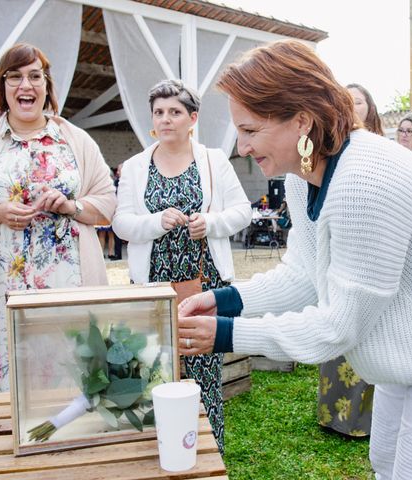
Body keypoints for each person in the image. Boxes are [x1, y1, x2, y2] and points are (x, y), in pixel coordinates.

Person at [178, 40, 412, 478]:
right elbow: (304, 276)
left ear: (301, 121)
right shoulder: (303, 176)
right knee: (385, 465)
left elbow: (338, 327)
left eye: (250, 130)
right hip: (405, 350)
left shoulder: (364, 182)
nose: (242, 147)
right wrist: (226, 301)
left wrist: (225, 334)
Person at [0, 43, 116, 394]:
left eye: (35, 76)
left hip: (68, 285)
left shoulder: (76, 141)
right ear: (1, 88)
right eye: (14, 77)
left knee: (69, 374)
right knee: (4, 380)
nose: (25, 85)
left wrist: (69, 206)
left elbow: (106, 204)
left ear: (47, 86)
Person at [112, 79, 252, 453]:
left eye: (175, 112)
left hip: (203, 283)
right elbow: (121, 223)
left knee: (205, 371)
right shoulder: (136, 167)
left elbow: (242, 211)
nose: (166, 119)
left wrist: (211, 223)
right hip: (154, 285)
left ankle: (208, 452)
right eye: (159, 113)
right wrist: (156, 222)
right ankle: (162, 449)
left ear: (192, 118)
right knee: (154, 370)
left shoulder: (213, 160)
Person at [315, 83, 383, 439]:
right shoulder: (332, 152)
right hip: (338, 257)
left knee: (367, 337)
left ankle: (364, 421)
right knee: (338, 334)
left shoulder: (381, 152)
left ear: (369, 108)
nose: (352, 106)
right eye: (347, 100)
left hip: (373, 261)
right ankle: (334, 415)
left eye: (358, 100)